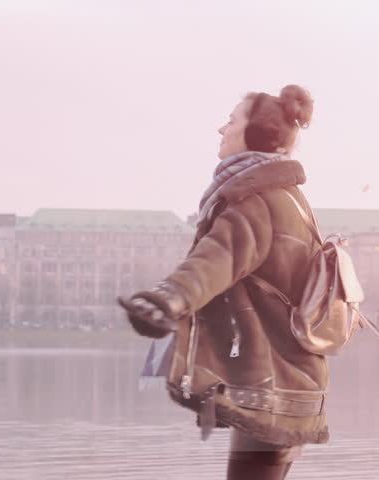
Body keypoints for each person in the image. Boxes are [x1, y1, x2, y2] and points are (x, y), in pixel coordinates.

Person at [118, 85, 325, 480]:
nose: (220, 129)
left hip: (270, 381)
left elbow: (215, 260)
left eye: (231, 121)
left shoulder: (255, 199)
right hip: (290, 380)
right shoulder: (291, 197)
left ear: (258, 133)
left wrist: (167, 300)